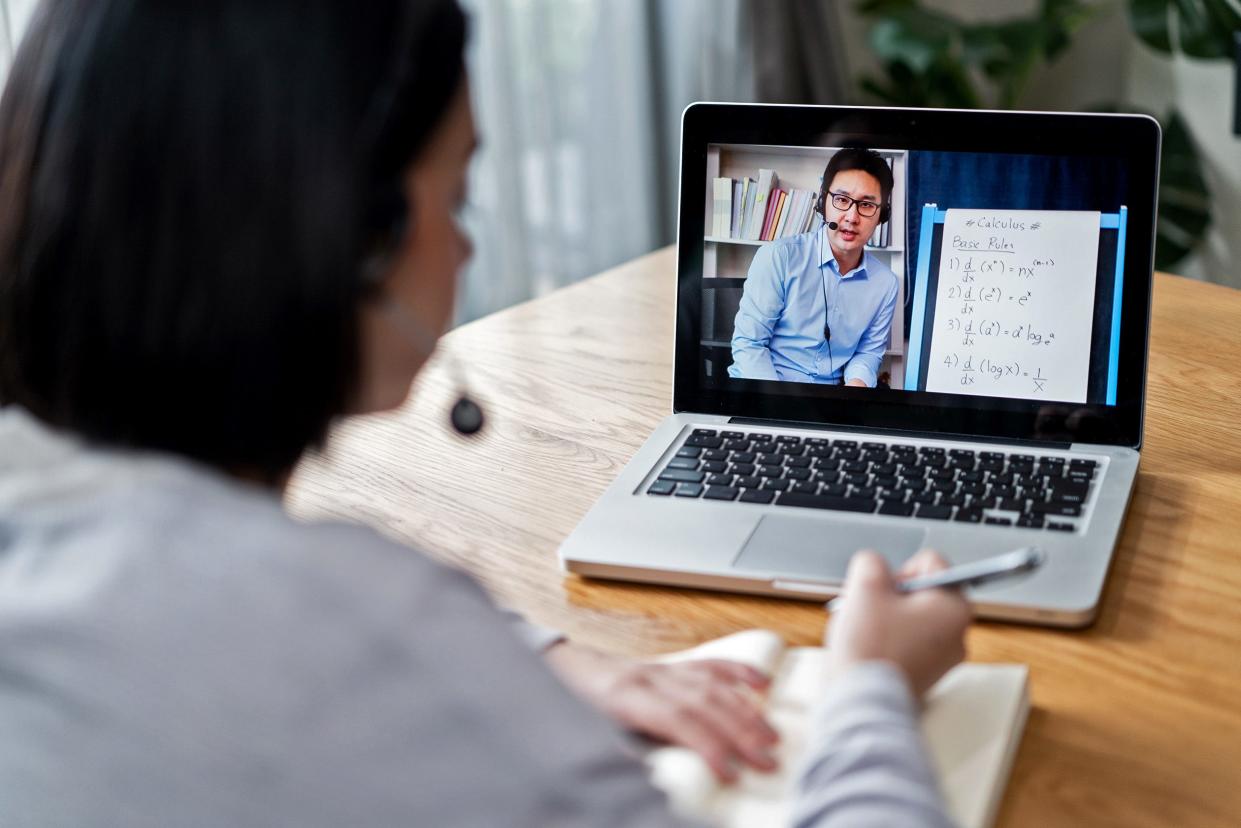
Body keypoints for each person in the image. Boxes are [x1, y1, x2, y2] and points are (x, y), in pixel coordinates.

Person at [0, 1, 969, 825]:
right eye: (456, 199)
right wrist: (867, 688)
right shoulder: (365, 636)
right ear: (357, 240)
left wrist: (538, 652)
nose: (465, 253)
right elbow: (348, 642)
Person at [729, 147, 900, 387]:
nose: (852, 216)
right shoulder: (779, 257)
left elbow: (867, 353)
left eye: (866, 205)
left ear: (883, 214)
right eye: (841, 200)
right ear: (823, 202)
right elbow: (750, 345)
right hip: (762, 392)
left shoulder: (886, 284)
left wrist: (854, 395)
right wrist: (778, 409)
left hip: (829, 403)